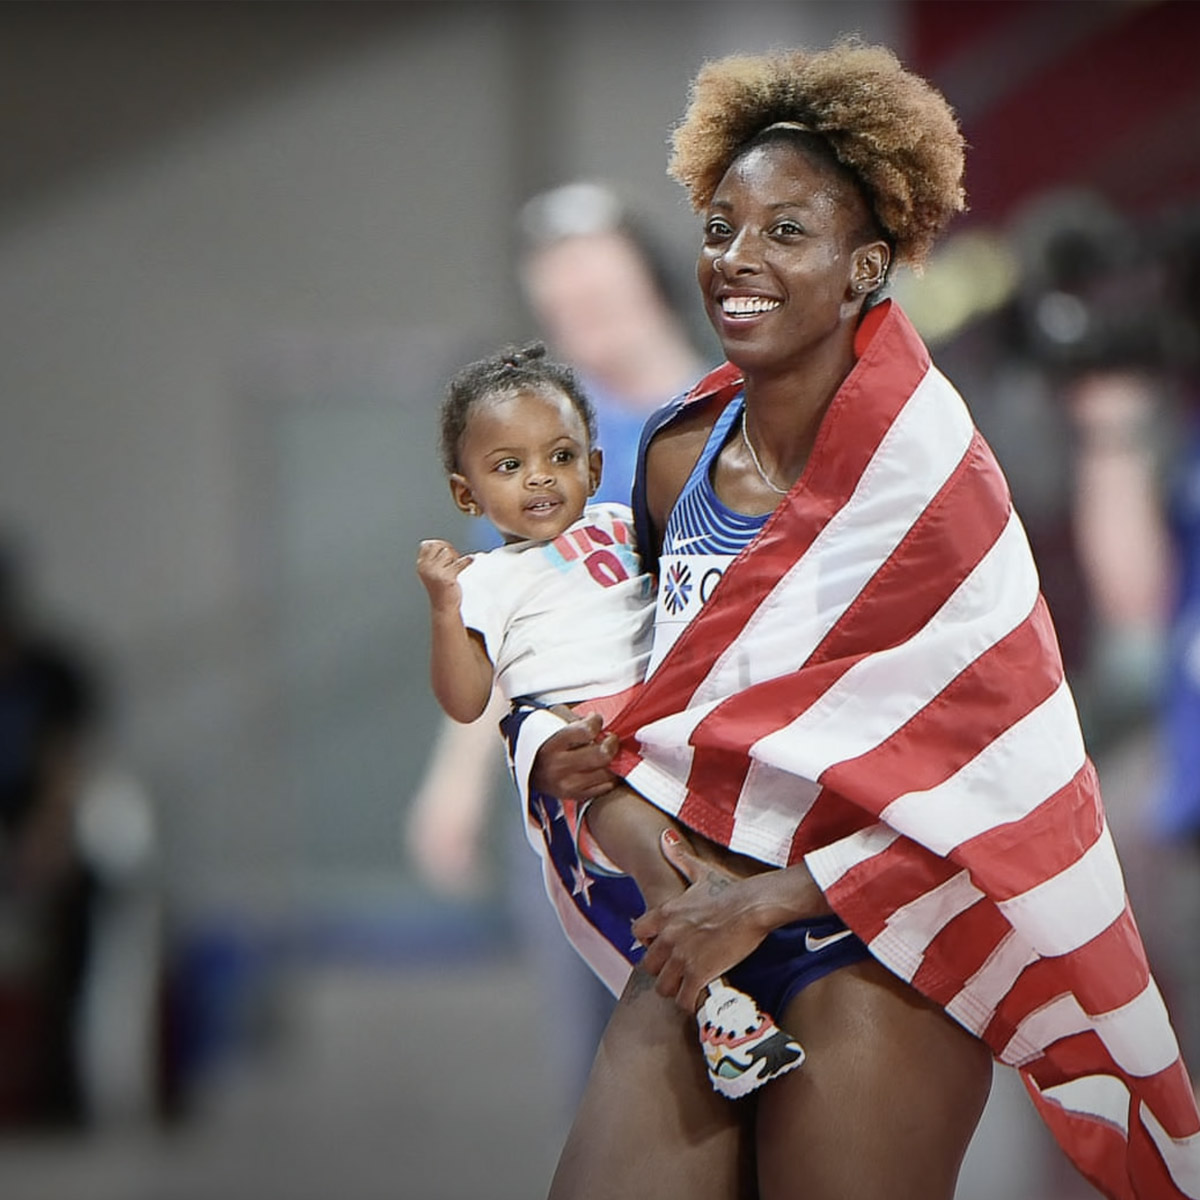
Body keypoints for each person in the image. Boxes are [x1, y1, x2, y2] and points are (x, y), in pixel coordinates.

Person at [512, 41, 1200, 1200]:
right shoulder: (677, 453)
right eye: (722, 225)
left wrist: (770, 900)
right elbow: (614, 715)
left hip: (875, 939)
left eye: (788, 231)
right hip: (694, 935)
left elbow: (1006, 774)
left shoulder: (932, 476)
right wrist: (667, 876)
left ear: (866, 265)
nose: (738, 258)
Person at [416, 342, 805, 1099]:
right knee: (654, 854)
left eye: (559, 456)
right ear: (467, 497)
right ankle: (718, 1009)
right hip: (594, 756)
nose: (538, 477)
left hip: (672, 728)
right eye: (507, 466)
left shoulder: (624, 526)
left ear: (594, 468)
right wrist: (442, 608)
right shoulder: (486, 581)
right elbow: (466, 700)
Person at [405, 184, 708, 1105]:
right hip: (579, 788)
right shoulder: (556, 454)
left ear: (647, 283)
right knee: (609, 1068)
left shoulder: (728, 418)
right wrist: (455, 783)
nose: (581, 316)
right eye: (560, 305)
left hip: (714, 786)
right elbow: (509, 629)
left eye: (597, 292)